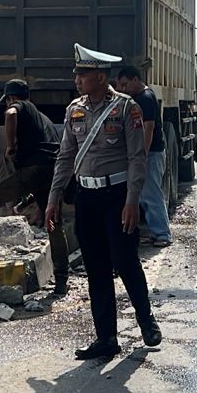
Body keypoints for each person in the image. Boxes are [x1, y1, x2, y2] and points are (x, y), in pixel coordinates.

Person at [46, 45, 162, 359]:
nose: (77, 79)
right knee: (96, 268)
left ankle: (145, 319)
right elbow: (65, 157)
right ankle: (106, 338)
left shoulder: (127, 108)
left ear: (100, 75)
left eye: (82, 73)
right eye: (77, 73)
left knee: (125, 262)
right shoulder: (74, 110)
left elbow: (137, 159)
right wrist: (53, 198)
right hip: (87, 198)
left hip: (117, 197)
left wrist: (132, 201)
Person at [0, 80, 68, 291]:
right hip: (52, 171)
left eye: (7, 101)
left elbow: (10, 114)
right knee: (53, 223)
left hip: (33, 169)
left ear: (11, 98)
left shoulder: (21, 106)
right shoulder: (43, 118)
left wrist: (10, 146)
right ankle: (62, 279)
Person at [115, 65, 171, 247]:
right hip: (149, 154)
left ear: (135, 80)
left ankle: (163, 234)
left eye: (125, 85)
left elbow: (148, 128)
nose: (123, 89)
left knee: (151, 194)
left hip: (151, 153)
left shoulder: (145, 98)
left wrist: (142, 155)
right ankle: (156, 233)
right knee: (144, 195)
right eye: (120, 86)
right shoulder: (139, 97)